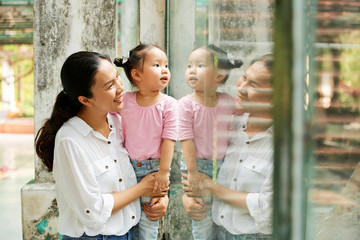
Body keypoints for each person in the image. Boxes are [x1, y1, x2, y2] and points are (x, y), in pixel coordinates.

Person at [34, 51, 169, 240]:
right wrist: (142, 189)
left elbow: (147, 165)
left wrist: (160, 197)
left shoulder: (120, 123)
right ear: (85, 99)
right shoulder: (70, 140)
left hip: (131, 232)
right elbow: (92, 212)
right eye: (110, 86)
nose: (121, 88)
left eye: (117, 78)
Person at [182, 54, 274, 240]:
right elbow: (199, 166)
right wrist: (190, 198)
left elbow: (268, 209)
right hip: (216, 233)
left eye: (254, 85)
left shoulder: (284, 146)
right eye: (245, 78)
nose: (241, 87)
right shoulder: (228, 123)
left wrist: (211, 188)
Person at [178, 44, 243, 240]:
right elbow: (186, 141)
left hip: (224, 166)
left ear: (219, 75)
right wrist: (193, 173)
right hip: (197, 166)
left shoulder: (229, 103)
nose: (192, 70)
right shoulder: (186, 104)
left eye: (200, 65)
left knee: (222, 215)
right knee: (202, 218)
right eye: (189, 65)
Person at [113, 43, 177, 240]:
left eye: (166, 65)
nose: (164, 69)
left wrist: (164, 173)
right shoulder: (124, 101)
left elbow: (169, 140)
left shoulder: (169, 105)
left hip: (154, 170)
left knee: (149, 224)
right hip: (126, 169)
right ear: (137, 75)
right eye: (157, 65)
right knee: (127, 219)